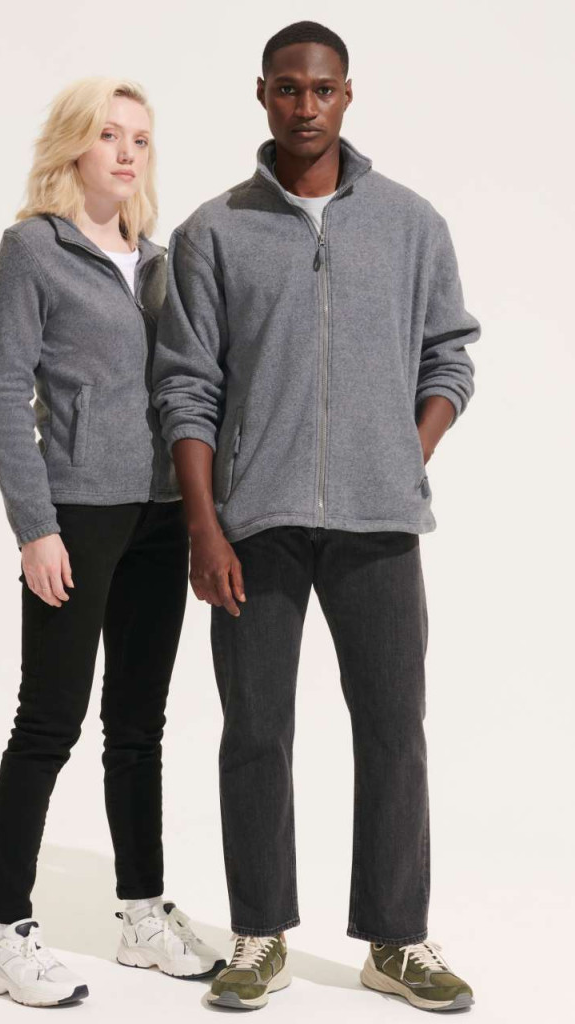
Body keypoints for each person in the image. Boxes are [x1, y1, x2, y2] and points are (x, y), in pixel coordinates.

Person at [151, 21, 479, 1014]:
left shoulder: (411, 223)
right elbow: (186, 388)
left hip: (379, 523)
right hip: (255, 523)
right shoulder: (214, 231)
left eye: (322, 88)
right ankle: (260, 934)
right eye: (288, 88)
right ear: (262, 95)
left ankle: (396, 938)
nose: (306, 105)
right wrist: (204, 527)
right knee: (256, 729)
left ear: (348, 95)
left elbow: (450, 356)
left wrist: (403, 453)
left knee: (393, 728)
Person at [0, 75, 224, 1008]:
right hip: (78, 513)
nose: (126, 153)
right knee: (49, 721)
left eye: (141, 140)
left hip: (161, 513)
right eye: (110, 135)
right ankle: (3, 934)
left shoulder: (159, 263)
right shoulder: (32, 250)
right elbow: (6, 391)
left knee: (139, 724)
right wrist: (35, 526)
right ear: (74, 145)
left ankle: (141, 914)